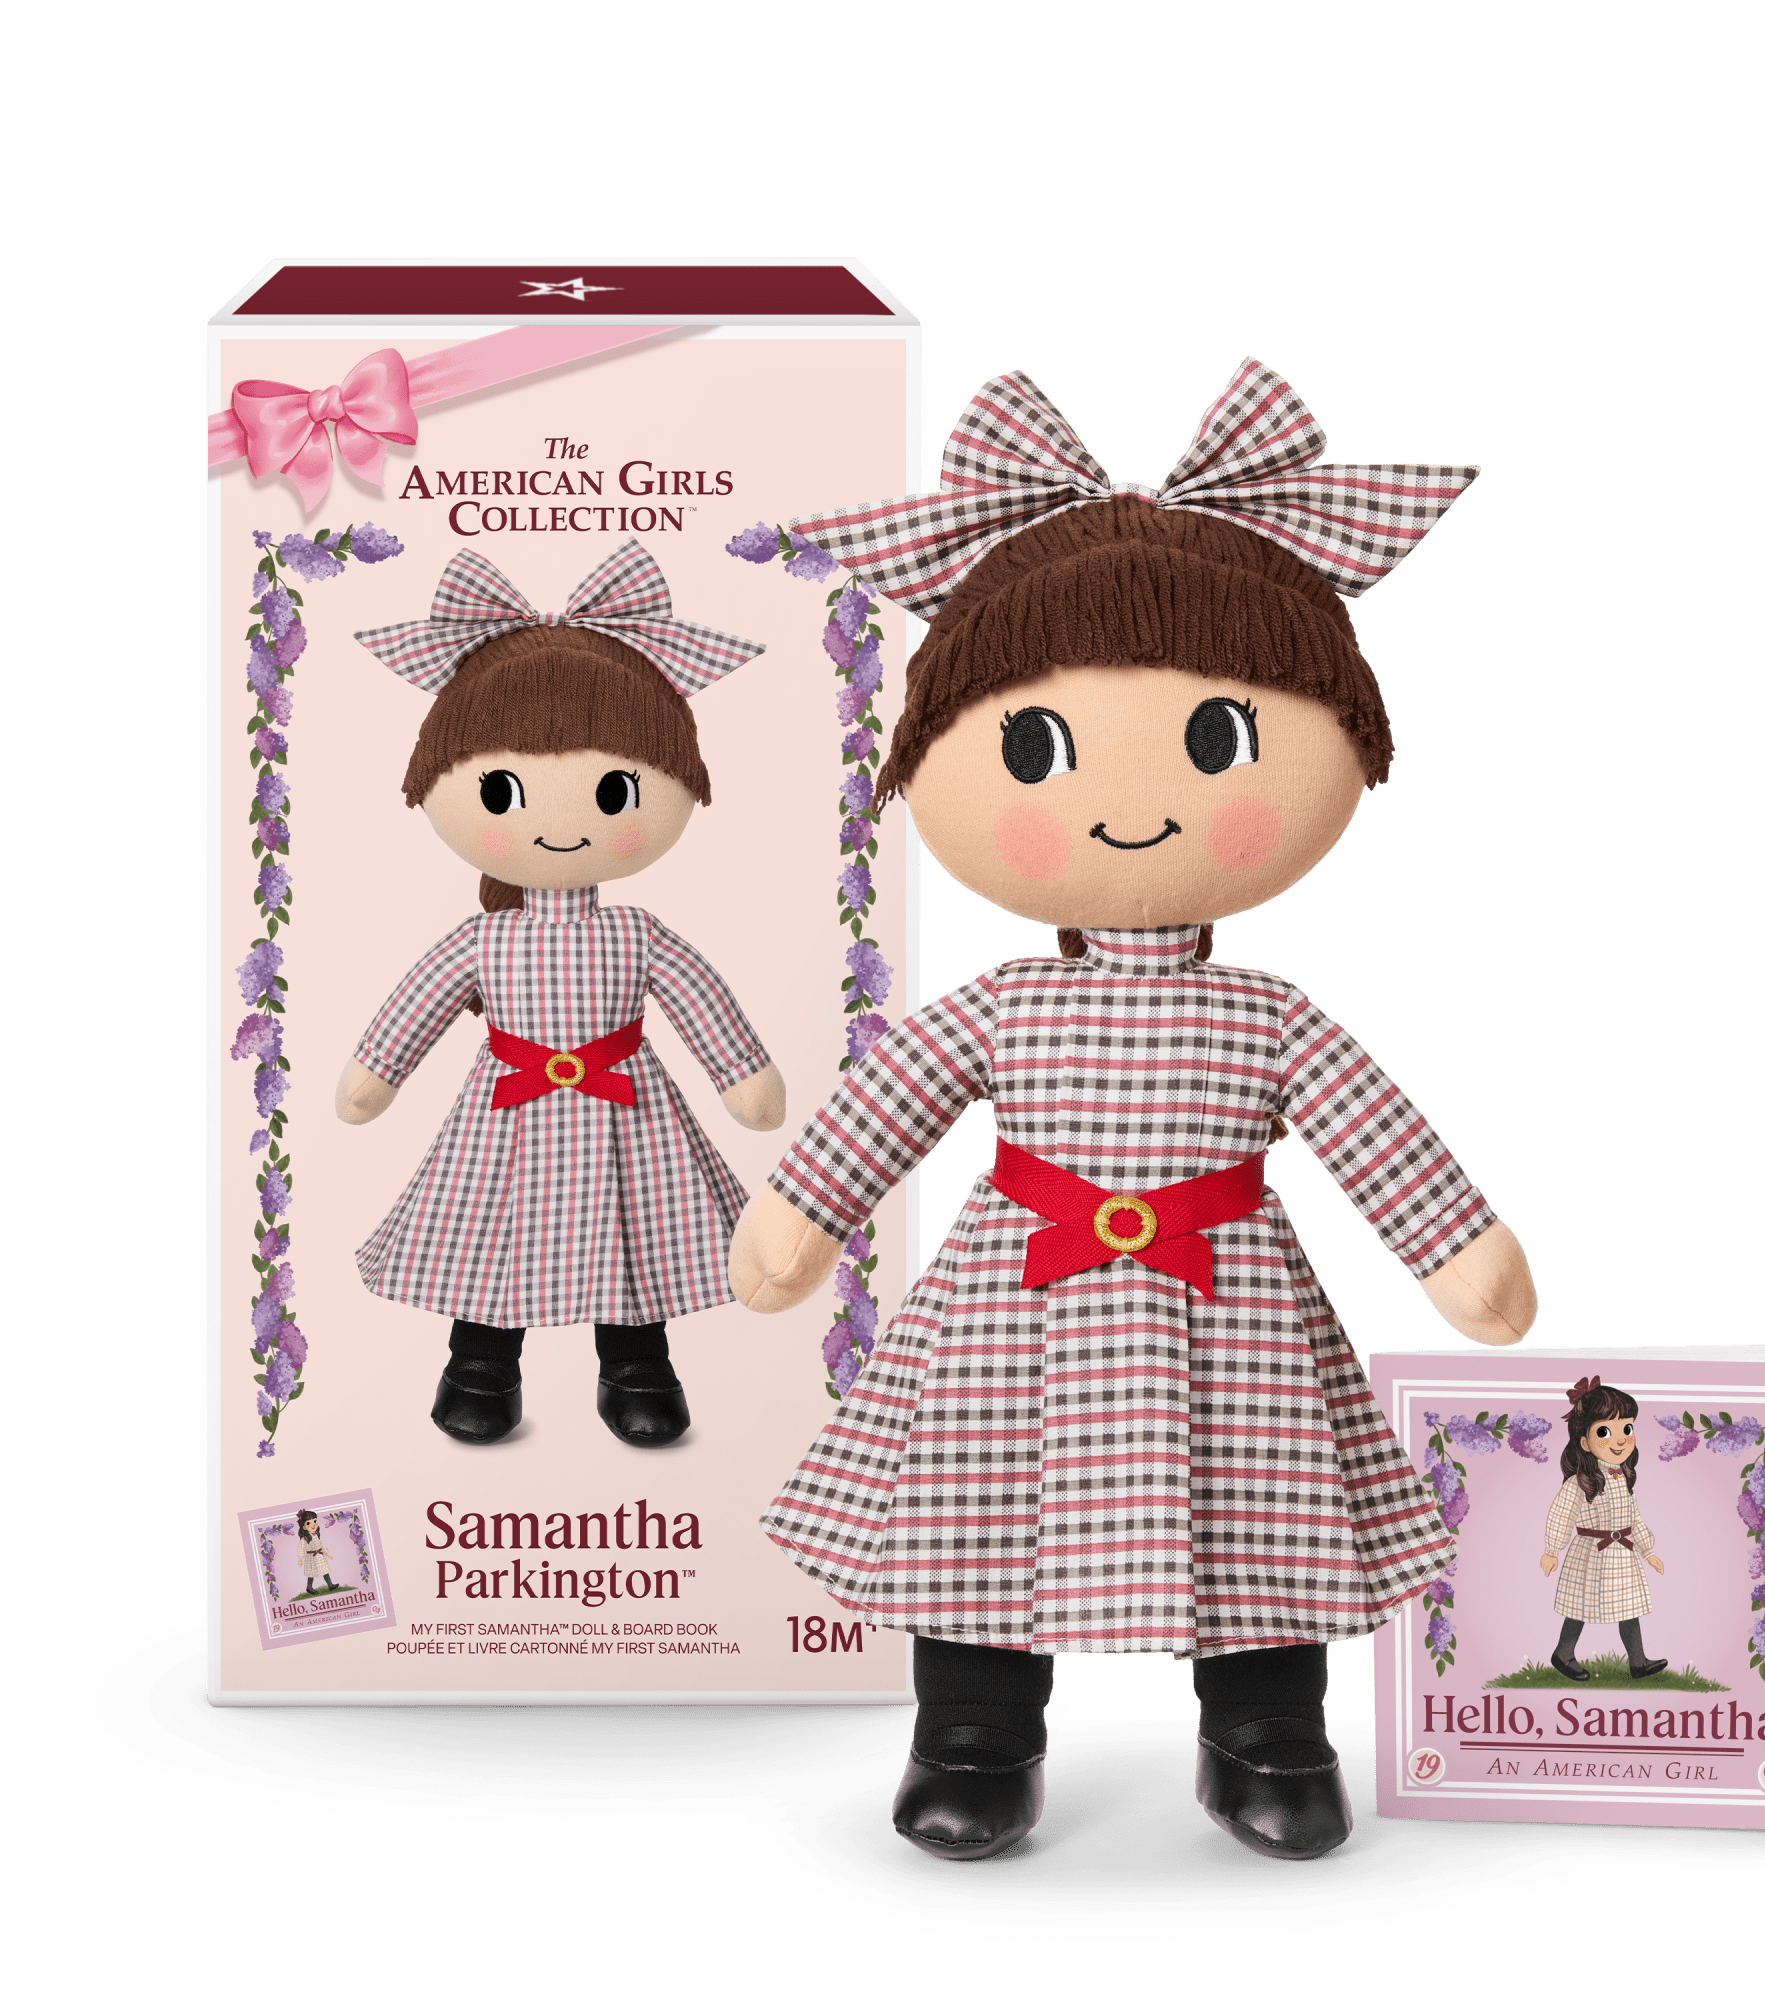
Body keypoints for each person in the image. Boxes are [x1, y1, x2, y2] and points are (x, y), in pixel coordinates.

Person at [730, 362, 1538, 1862]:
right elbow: (881, 1111)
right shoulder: (995, 1007)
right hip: (1014, 1306)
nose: (1127, 797)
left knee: (1264, 1505)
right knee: (978, 1505)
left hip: (1230, 1309)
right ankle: (972, 1734)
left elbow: (1379, 1138)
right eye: (1033, 747)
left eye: (1218, 740)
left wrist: (1458, 1249)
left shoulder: (1269, 1014)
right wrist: (799, 1218)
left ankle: (1270, 1735)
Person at [338, 542, 783, 1447]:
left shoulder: (638, 933)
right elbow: (414, 1008)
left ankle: (637, 1365)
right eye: (503, 789)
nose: (557, 823)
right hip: (505, 1112)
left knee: (635, 1228)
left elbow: (703, 1003)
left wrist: (745, 1078)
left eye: (616, 789)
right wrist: (372, 1077)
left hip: (628, 1111)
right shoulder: (483, 939)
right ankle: (481, 1364)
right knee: (488, 1228)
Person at [1541, 1376, 1668, 1680]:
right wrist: (1552, 1550)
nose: (1620, 1440)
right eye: (1605, 1432)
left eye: (1627, 1429)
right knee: (1580, 1606)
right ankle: (1563, 1653)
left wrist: (1648, 1551)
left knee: (1629, 1607)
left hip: (1622, 1554)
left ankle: (1638, 1661)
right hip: (1591, 1554)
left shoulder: (1622, 1478)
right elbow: (1560, 1514)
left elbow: (1633, 1519)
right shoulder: (1579, 1482)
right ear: (1585, 1442)